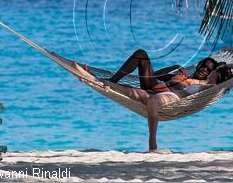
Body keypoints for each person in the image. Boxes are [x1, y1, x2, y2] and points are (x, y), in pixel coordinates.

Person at [70, 49, 222, 151]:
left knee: (124, 89)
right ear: (199, 65)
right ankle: (109, 79)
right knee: (141, 53)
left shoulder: (199, 84)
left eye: (208, 70)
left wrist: (215, 74)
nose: (204, 70)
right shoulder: (183, 75)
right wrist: (174, 67)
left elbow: (214, 83)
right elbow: (156, 75)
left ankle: (90, 78)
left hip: (160, 97)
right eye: (204, 66)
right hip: (151, 84)